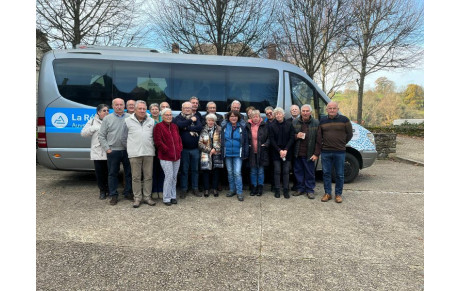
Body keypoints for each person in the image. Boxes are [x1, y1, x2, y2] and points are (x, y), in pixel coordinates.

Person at [313, 101, 353, 203]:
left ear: (337, 109)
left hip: (339, 152)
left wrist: (342, 143)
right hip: (326, 151)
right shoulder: (322, 121)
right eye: (329, 108)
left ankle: (338, 194)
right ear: (327, 110)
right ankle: (327, 193)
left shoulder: (344, 120)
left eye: (334, 108)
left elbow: (350, 134)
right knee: (326, 173)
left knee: (339, 174)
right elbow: (319, 136)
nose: (332, 110)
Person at [121, 100, 156, 208]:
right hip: (134, 154)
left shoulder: (151, 121)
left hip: (148, 153)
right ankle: (137, 198)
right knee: (135, 177)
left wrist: (151, 146)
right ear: (135, 110)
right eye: (139, 109)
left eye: (144, 109)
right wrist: (131, 148)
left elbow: (154, 137)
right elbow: (123, 138)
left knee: (148, 176)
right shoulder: (127, 121)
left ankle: (147, 197)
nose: (142, 111)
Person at [98, 98, 133, 205]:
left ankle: (128, 192)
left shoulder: (130, 117)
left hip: (128, 150)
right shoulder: (107, 119)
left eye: (121, 104)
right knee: (113, 174)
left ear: (124, 106)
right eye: (116, 105)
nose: (119, 106)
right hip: (113, 151)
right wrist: (107, 149)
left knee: (129, 173)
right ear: (113, 106)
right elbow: (101, 135)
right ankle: (113, 195)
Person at [173, 101, 203, 198]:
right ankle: (184, 189)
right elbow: (179, 125)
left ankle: (195, 188)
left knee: (195, 170)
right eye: (185, 108)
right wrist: (190, 121)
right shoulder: (178, 118)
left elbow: (199, 127)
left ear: (191, 109)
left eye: (189, 108)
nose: (187, 109)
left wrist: (186, 128)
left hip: (195, 149)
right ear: (182, 109)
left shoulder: (196, 117)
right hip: (184, 149)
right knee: (184, 170)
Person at [154, 108, 183, 206]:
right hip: (166, 157)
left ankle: (173, 196)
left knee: (174, 177)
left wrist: (179, 148)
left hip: (176, 156)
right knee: (169, 177)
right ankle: (166, 198)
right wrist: (166, 150)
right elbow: (158, 142)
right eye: (166, 115)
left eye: (170, 115)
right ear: (162, 116)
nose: (169, 116)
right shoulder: (158, 126)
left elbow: (178, 139)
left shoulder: (174, 126)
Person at [81, 104, 110, 200]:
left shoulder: (111, 120)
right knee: (100, 173)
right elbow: (83, 133)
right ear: (98, 112)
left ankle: (109, 189)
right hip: (98, 152)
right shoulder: (92, 121)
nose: (106, 112)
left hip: (109, 151)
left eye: (107, 110)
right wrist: (94, 128)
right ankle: (102, 191)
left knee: (110, 172)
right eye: (104, 110)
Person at [292, 104, 319, 199]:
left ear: (310, 112)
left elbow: (318, 140)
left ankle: (310, 190)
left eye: (307, 111)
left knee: (310, 172)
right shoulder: (295, 122)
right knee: (298, 172)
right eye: (303, 111)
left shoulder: (316, 123)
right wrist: (296, 136)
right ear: (300, 112)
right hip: (297, 152)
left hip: (310, 153)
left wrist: (316, 153)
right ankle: (300, 188)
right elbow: (290, 136)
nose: (305, 113)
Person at [221, 110, 249, 201]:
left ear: (238, 118)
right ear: (228, 118)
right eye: (231, 116)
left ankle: (239, 192)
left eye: (235, 116)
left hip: (238, 153)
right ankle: (232, 190)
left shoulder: (242, 127)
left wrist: (245, 153)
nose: (233, 118)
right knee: (230, 172)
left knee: (237, 172)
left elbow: (245, 142)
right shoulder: (224, 127)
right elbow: (221, 140)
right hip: (227, 153)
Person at [269, 107, 295, 199]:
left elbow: (292, 138)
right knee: (277, 171)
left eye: (280, 114)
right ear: (275, 116)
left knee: (286, 171)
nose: (278, 115)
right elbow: (271, 139)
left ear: (283, 115)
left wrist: (286, 150)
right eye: (276, 114)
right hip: (276, 152)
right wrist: (279, 150)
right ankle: (277, 189)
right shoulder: (272, 126)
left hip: (287, 152)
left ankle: (285, 190)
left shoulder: (289, 124)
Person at [198, 113, 223, 197]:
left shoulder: (219, 129)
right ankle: (206, 189)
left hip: (217, 153)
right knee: (206, 171)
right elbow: (200, 143)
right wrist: (209, 150)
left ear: (215, 121)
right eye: (209, 120)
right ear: (206, 121)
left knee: (216, 171)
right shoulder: (202, 129)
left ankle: (215, 189)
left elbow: (221, 141)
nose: (211, 122)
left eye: (212, 120)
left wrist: (215, 149)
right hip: (206, 153)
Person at [246, 110, 270, 196]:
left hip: (262, 151)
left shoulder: (264, 125)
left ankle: (260, 187)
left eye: (257, 116)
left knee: (260, 171)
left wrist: (266, 144)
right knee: (253, 171)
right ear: (251, 117)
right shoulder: (247, 126)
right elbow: (245, 137)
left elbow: (269, 137)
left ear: (260, 117)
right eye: (253, 117)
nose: (255, 118)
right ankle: (254, 187)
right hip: (251, 151)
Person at [149, 103, 164, 198]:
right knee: (153, 170)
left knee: (162, 170)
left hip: (162, 149)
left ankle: (161, 190)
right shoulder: (147, 120)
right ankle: (154, 190)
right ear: (150, 111)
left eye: (156, 109)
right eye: (153, 109)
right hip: (151, 148)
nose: (155, 111)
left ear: (159, 110)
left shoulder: (164, 120)